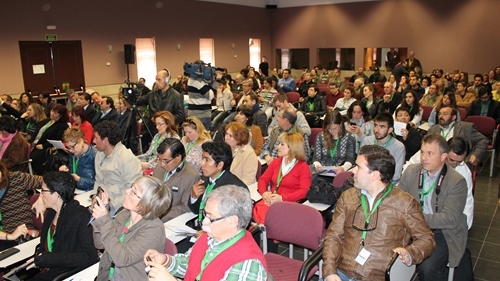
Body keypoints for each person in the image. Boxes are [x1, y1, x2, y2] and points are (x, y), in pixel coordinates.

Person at [322, 145, 435, 281]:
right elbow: (333, 237)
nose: (353, 172)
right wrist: (330, 272)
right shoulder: (348, 197)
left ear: (375, 175)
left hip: (377, 276)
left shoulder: (405, 203)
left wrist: (410, 253)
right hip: (341, 273)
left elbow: (427, 239)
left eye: (358, 167)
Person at [144, 185, 268, 281]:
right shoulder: (210, 238)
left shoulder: (247, 263)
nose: (204, 222)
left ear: (232, 221)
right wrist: (165, 260)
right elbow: (189, 264)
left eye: (210, 217)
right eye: (205, 215)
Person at [399, 134, 468, 280]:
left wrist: (414, 217)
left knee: (427, 268)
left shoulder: (456, 181)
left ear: (444, 156)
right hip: (411, 228)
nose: (424, 157)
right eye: (422, 152)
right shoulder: (412, 171)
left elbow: (450, 219)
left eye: (430, 153)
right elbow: (399, 200)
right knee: (384, 252)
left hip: (441, 233)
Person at [91, 176, 172, 281]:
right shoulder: (125, 214)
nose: (127, 191)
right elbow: (99, 243)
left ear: (145, 204)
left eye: (133, 192)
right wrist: (101, 210)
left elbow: (122, 258)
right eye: (131, 187)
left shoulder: (154, 229)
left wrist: (104, 221)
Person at [26, 171, 98, 281]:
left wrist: (50, 259)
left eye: (43, 191)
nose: (40, 195)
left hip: (61, 273)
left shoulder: (81, 217)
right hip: (47, 269)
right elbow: (46, 245)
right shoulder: (52, 213)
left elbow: (90, 256)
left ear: (55, 195)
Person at [257, 132, 311, 224]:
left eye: (282, 144)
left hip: (290, 204)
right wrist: (264, 193)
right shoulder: (276, 162)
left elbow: (304, 191)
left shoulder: (303, 167)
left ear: (292, 148)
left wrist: (282, 198)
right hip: (271, 200)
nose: (278, 147)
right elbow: (263, 179)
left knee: (269, 220)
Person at [188, 142, 248, 224]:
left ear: (220, 165)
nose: (201, 163)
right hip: (202, 227)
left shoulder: (235, 189)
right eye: (202, 158)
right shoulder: (204, 179)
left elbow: (235, 224)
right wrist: (194, 197)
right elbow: (196, 210)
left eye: (207, 160)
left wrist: (208, 231)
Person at [93, 121, 142, 214]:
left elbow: (132, 192)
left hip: (120, 209)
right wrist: (94, 197)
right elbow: (98, 180)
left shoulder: (127, 159)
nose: (94, 141)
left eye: (96, 138)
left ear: (105, 140)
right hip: (102, 204)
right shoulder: (99, 155)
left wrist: (109, 206)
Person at [151, 138, 200, 222]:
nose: (162, 164)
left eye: (166, 161)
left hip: (166, 218)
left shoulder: (191, 176)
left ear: (178, 157)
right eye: (160, 159)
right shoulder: (161, 165)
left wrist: (158, 214)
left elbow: (185, 208)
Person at [0, 162, 42, 250]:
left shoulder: (16, 178)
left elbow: (47, 182)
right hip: (6, 238)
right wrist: (10, 236)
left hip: (23, 236)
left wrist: (42, 197)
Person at [361, 113, 405, 185]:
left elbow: (396, 175)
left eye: (382, 127)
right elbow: (361, 164)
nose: (377, 130)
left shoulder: (399, 147)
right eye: (375, 125)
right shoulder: (367, 141)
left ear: (390, 130)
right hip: (366, 179)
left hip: (387, 183)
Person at [30, 104, 70, 175]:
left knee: (35, 158)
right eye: (52, 111)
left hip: (47, 147)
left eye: (55, 113)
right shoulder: (46, 121)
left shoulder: (62, 125)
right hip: (36, 144)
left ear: (60, 115)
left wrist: (44, 146)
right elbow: (37, 132)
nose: (52, 113)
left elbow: (58, 140)